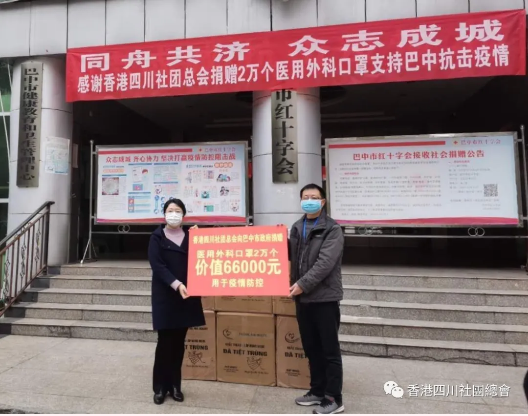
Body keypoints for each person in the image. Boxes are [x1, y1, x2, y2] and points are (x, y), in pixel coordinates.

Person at [288, 183, 345, 415]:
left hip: (324, 298)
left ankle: (334, 398)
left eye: (314, 197)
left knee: (329, 350)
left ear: (322, 201)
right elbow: (287, 254)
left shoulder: (332, 229)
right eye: (305, 197)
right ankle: (318, 390)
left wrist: (302, 284)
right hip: (303, 300)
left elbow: (325, 264)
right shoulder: (296, 226)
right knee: (311, 348)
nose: (309, 200)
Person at [148, 198, 205, 405]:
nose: (173, 214)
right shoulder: (157, 237)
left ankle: (175, 386)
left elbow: (206, 257)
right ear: (164, 214)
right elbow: (158, 265)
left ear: (184, 215)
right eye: (170, 210)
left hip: (187, 297)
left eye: (177, 210)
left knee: (179, 343)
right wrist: (177, 284)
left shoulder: (192, 236)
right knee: (165, 342)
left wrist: (202, 238)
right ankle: (160, 388)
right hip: (166, 296)